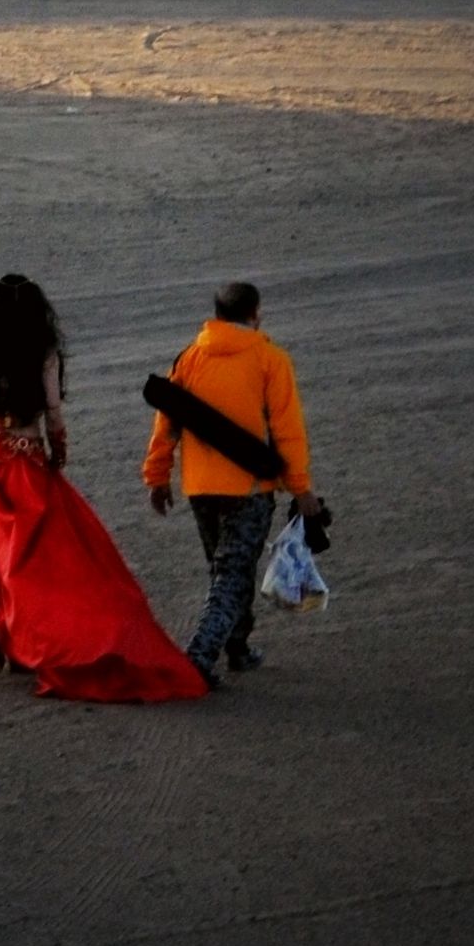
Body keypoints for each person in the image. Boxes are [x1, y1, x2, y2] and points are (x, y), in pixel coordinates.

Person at [0, 275, 207, 703]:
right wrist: (57, 457)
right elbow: (54, 416)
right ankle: (25, 636)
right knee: (54, 559)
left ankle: (9, 631)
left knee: (4, 559)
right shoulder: (43, 352)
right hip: (27, 460)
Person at [143, 280, 319, 687]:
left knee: (224, 571)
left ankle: (237, 648)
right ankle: (200, 658)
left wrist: (157, 476)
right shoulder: (270, 359)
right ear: (255, 313)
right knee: (232, 574)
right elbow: (288, 431)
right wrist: (301, 489)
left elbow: (167, 423)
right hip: (250, 488)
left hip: (200, 487)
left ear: (217, 315)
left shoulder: (189, 357)